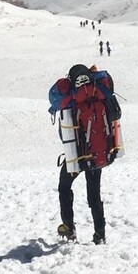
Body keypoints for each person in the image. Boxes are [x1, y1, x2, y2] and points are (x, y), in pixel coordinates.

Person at [49, 63, 122, 243]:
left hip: (76, 154)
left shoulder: (72, 95)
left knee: (64, 186)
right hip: (99, 152)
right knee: (94, 193)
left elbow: (55, 97)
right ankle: (100, 234)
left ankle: (69, 227)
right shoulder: (100, 89)